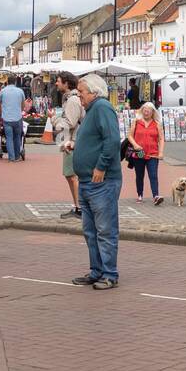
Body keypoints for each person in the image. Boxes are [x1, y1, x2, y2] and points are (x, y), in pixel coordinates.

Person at [68, 74, 122, 290]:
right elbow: (98, 140)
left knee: (105, 230)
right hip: (87, 181)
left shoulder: (102, 108)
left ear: (94, 91)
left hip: (102, 181)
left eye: (81, 92)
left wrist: (101, 166)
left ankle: (109, 273)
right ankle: (97, 271)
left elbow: (112, 140)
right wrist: (76, 146)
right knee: (90, 230)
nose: (78, 95)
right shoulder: (92, 110)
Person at [53, 72, 85, 219]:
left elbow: (70, 122)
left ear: (66, 83)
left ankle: (79, 207)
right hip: (71, 140)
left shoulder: (72, 100)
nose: (56, 84)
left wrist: (53, 119)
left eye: (58, 81)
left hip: (72, 141)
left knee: (72, 175)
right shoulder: (70, 98)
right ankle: (78, 206)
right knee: (70, 175)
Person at [126, 102, 164, 205]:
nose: (146, 112)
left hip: (153, 153)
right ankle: (140, 195)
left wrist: (160, 152)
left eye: (149, 111)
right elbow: (129, 135)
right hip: (140, 152)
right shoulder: (137, 121)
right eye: (145, 110)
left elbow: (161, 138)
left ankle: (156, 196)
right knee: (139, 175)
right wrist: (135, 145)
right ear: (142, 111)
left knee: (153, 175)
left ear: (153, 112)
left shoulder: (157, 123)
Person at [0, 76, 26, 162]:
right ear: (15, 82)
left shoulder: (3, 91)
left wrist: (1, 112)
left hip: (6, 118)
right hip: (17, 118)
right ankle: (17, 156)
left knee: (9, 138)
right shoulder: (20, 91)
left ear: (7, 81)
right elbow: (23, 104)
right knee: (17, 137)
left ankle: (11, 158)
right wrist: (20, 110)